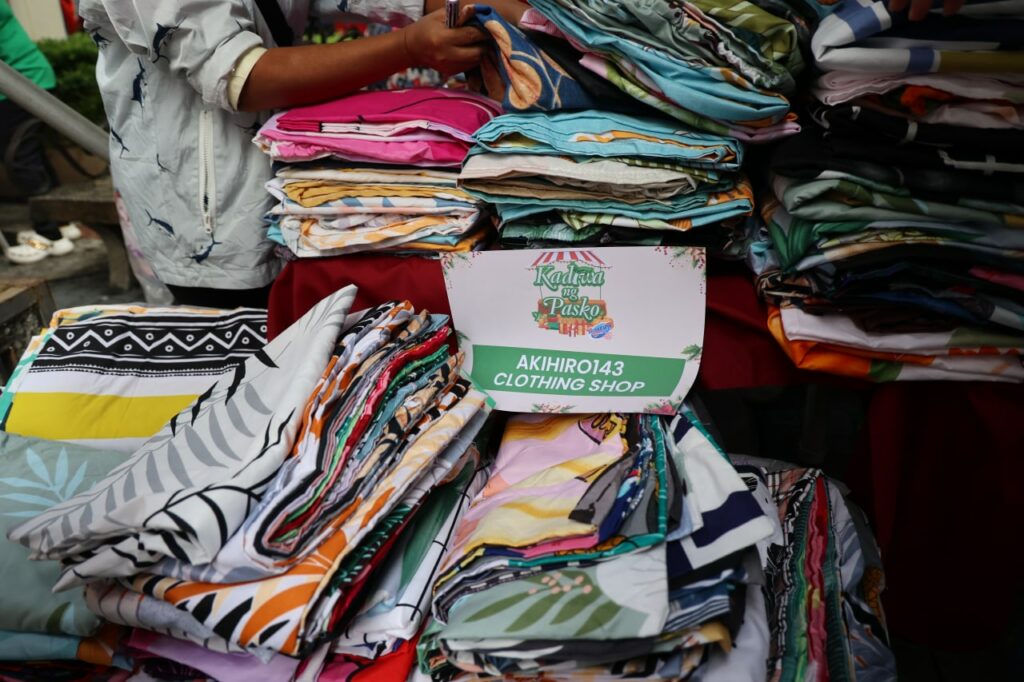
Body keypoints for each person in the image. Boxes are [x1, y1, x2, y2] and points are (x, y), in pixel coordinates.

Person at [79, 0, 526, 308]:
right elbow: (240, 76)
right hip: (206, 222)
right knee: (246, 379)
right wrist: (408, 47)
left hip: (302, 195)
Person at [0, 0, 80, 265]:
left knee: (20, 159)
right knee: (33, 155)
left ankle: (49, 236)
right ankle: (62, 223)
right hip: (33, 78)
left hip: (18, 87)